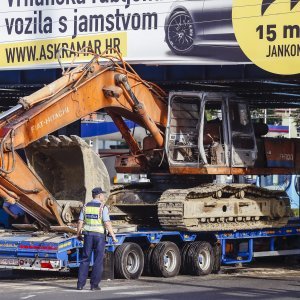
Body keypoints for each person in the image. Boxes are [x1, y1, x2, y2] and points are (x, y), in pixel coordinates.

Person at [77, 187, 117, 291]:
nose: (103, 196)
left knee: (85, 259)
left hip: (88, 235)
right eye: (102, 195)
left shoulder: (85, 206)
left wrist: (78, 233)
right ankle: (94, 285)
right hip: (99, 236)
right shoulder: (103, 207)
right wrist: (113, 236)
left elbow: (80, 221)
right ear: (99, 196)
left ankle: (80, 285)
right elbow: (107, 223)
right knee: (98, 261)